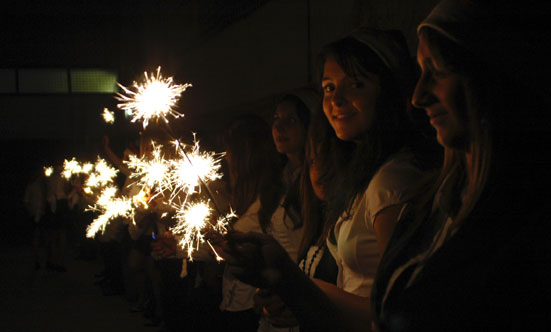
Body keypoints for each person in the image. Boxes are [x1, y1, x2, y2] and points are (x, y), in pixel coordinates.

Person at [222, 27, 436, 331]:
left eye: (356, 84)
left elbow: (400, 314)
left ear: (388, 91)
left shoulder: (393, 181)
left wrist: (297, 285)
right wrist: (298, 300)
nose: (337, 99)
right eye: (329, 87)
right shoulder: (365, 177)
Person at [370, 1, 551, 331]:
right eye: (420, 71)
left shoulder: (528, 225)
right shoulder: (429, 206)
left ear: (490, 79)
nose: (418, 96)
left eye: (437, 71)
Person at [220, 114, 285, 332]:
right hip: (237, 305)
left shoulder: (269, 204)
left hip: (252, 310)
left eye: (230, 152)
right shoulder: (246, 201)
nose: (225, 158)